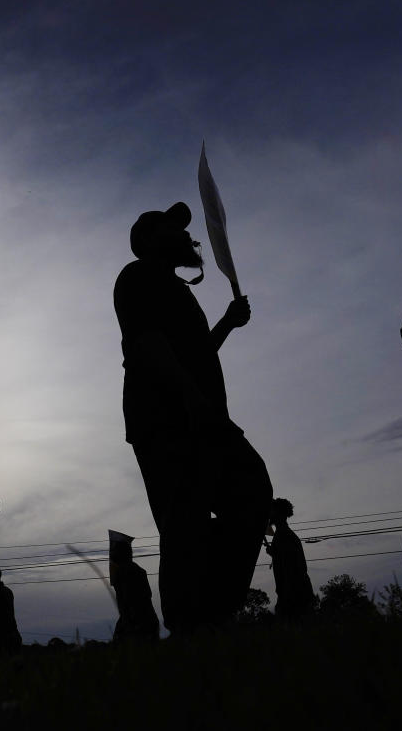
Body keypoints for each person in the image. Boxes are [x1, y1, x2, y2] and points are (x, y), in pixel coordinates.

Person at [113, 202, 273, 633]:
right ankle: (191, 626)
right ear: (148, 240)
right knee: (185, 520)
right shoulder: (137, 276)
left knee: (251, 494)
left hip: (199, 416)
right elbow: (146, 344)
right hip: (167, 419)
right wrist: (191, 399)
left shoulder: (176, 289)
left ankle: (211, 612)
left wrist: (225, 324)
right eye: (174, 228)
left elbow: (196, 352)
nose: (187, 235)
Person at [266, 498, 314, 620]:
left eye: (272, 510)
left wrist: (285, 597)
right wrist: (274, 554)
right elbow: (287, 560)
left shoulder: (283, 535)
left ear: (279, 513)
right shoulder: (283, 534)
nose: (269, 513)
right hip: (295, 593)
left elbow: (291, 568)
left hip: (294, 595)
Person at [109, 536, 159, 642]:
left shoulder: (126, 572)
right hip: (142, 620)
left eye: (114, 552)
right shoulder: (136, 571)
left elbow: (129, 600)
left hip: (137, 622)